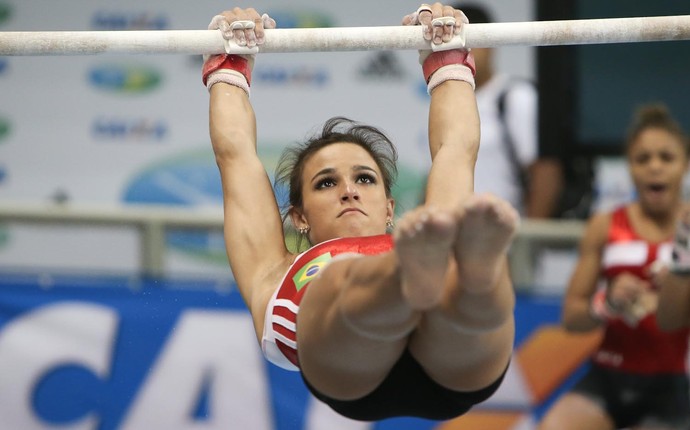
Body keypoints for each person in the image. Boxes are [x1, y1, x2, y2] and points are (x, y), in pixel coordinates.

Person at [202, 3, 517, 422]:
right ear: (299, 217)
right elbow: (235, 156)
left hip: (448, 345)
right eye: (326, 183)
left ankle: (472, 275)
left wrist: (447, 57)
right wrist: (228, 65)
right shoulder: (272, 270)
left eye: (365, 179)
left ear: (389, 207)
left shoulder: (427, 232)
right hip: (350, 368)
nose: (349, 191)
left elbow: (456, 149)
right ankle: (417, 280)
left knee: (464, 281)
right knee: (342, 277)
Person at [538, 104, 690, 429]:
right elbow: (572, 318)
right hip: (609, 376)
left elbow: (673, 320)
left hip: (675, 384)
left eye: (666, 157)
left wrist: (677, 287)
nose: (655, 168)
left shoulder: (689, 228)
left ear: (685, 164)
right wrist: (607, 303)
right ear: (629, 166)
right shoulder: (605, 225)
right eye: (643, 158)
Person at [451, 3, 563, 218]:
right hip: (454, 238)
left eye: (468, 45)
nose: (462, 53)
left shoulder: (516, 97)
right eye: (453, 47)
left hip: (504, 239)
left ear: (490, 44)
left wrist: (527, 243)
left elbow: (546, 171)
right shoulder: (445, 101)